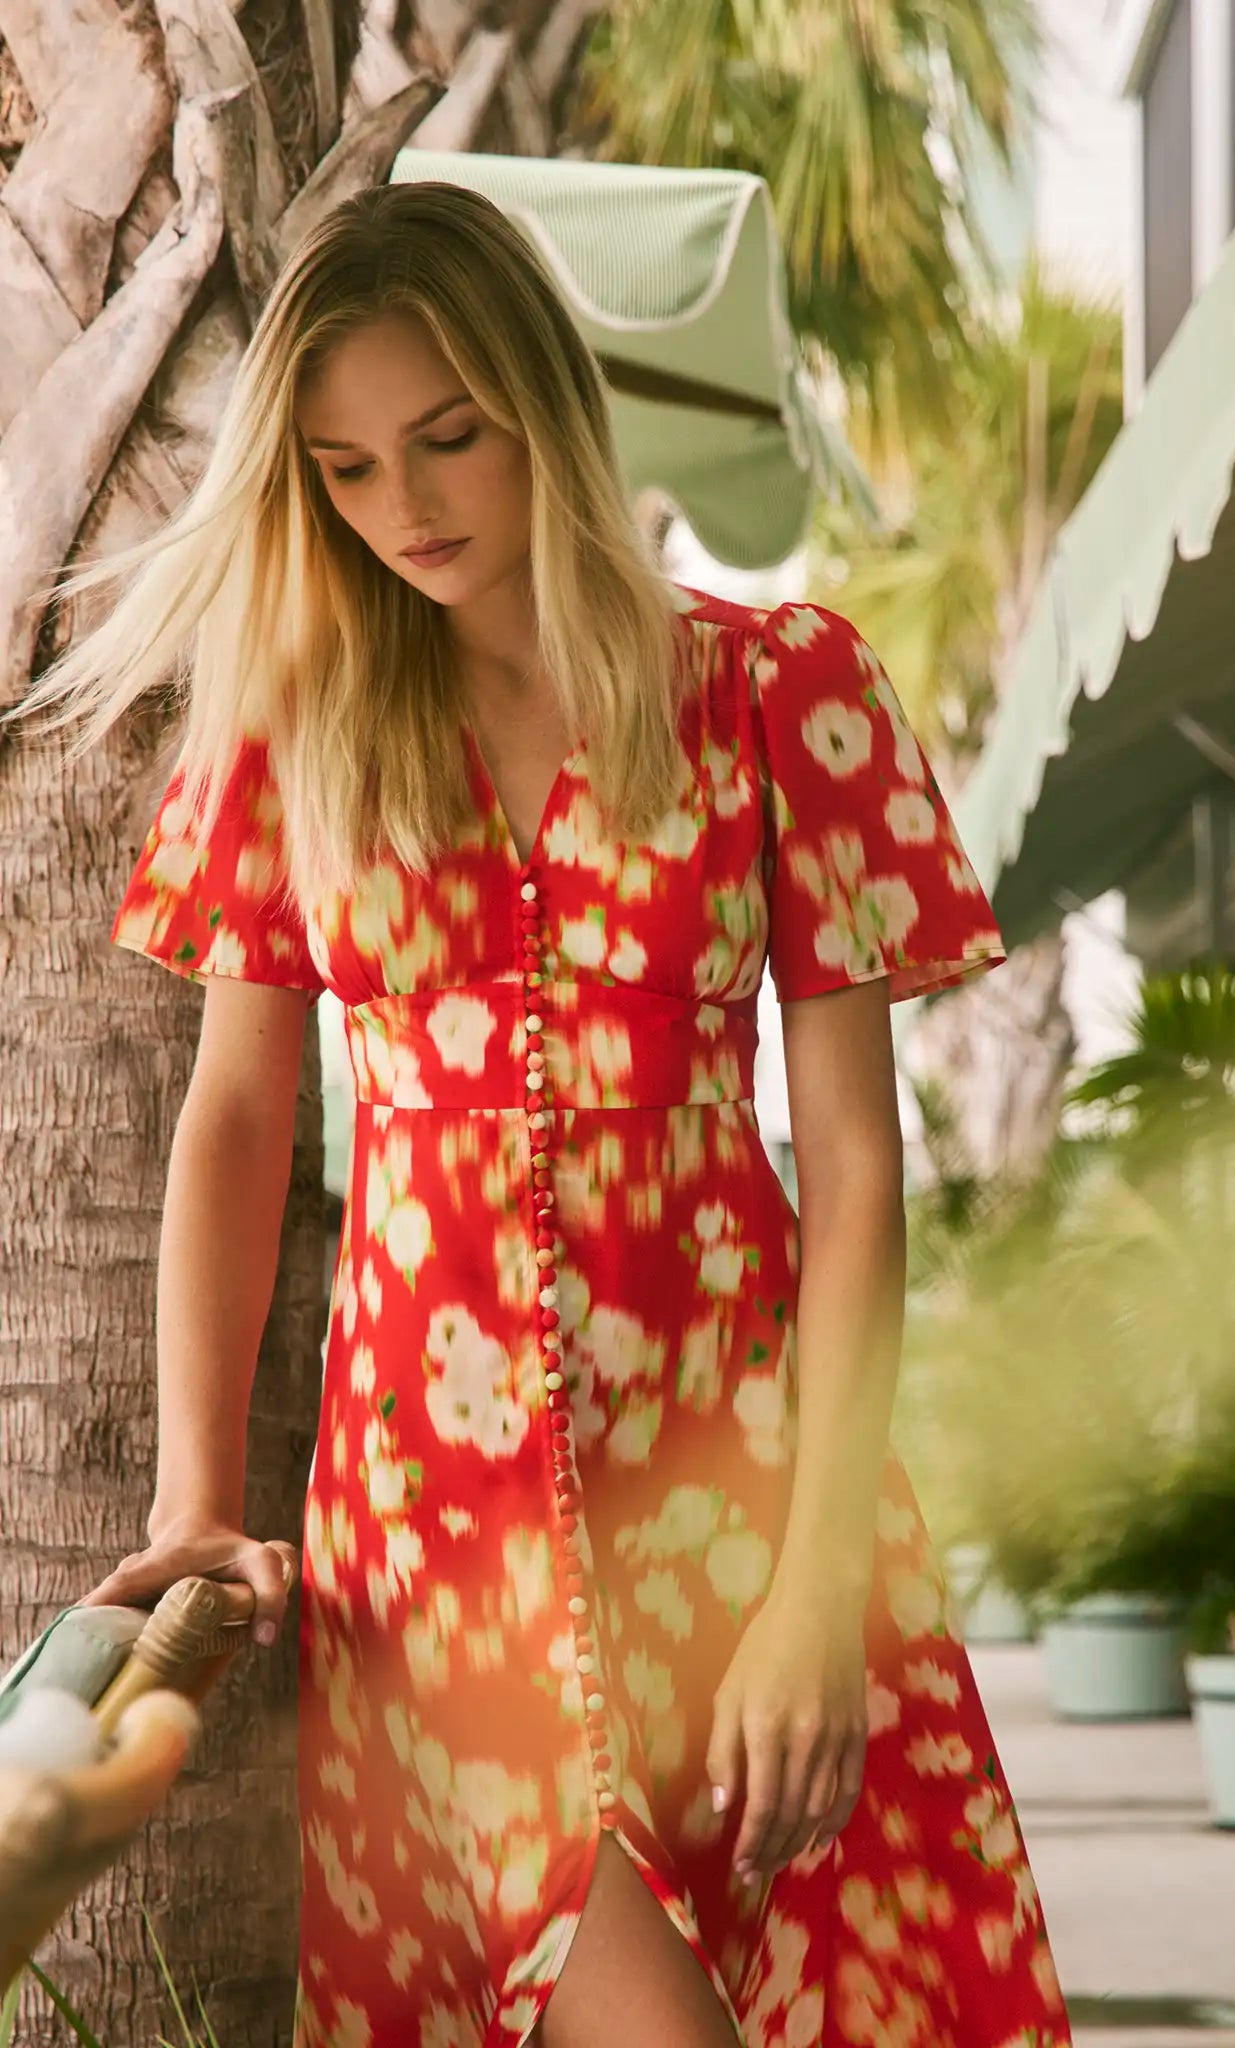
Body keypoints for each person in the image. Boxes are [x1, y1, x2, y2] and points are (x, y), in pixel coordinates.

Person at [9, 181, 1071, 2047]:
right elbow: (237, 1121)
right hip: (439, 1549)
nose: (403, 507)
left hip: (751, 1509)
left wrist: (818, 1590)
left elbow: (849, 1169)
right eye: (341, 471)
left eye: (446, 439)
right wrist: (196, 1492)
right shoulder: (292, 728)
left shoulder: (776, 697)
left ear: (546, 410)